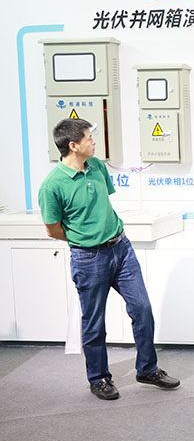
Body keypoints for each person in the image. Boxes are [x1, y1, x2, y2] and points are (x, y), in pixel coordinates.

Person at [37, 118, 179, 400]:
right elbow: (53, 229)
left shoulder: (97, 167)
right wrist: (85, 239)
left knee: (142, 309)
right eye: (88, 138)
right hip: (88, 258)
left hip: (122, 249)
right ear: (73, 145)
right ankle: (99, 378)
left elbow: (102, 205)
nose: (94, 142)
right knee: (94, 322)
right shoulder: (51, 186)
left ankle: (147, 369)